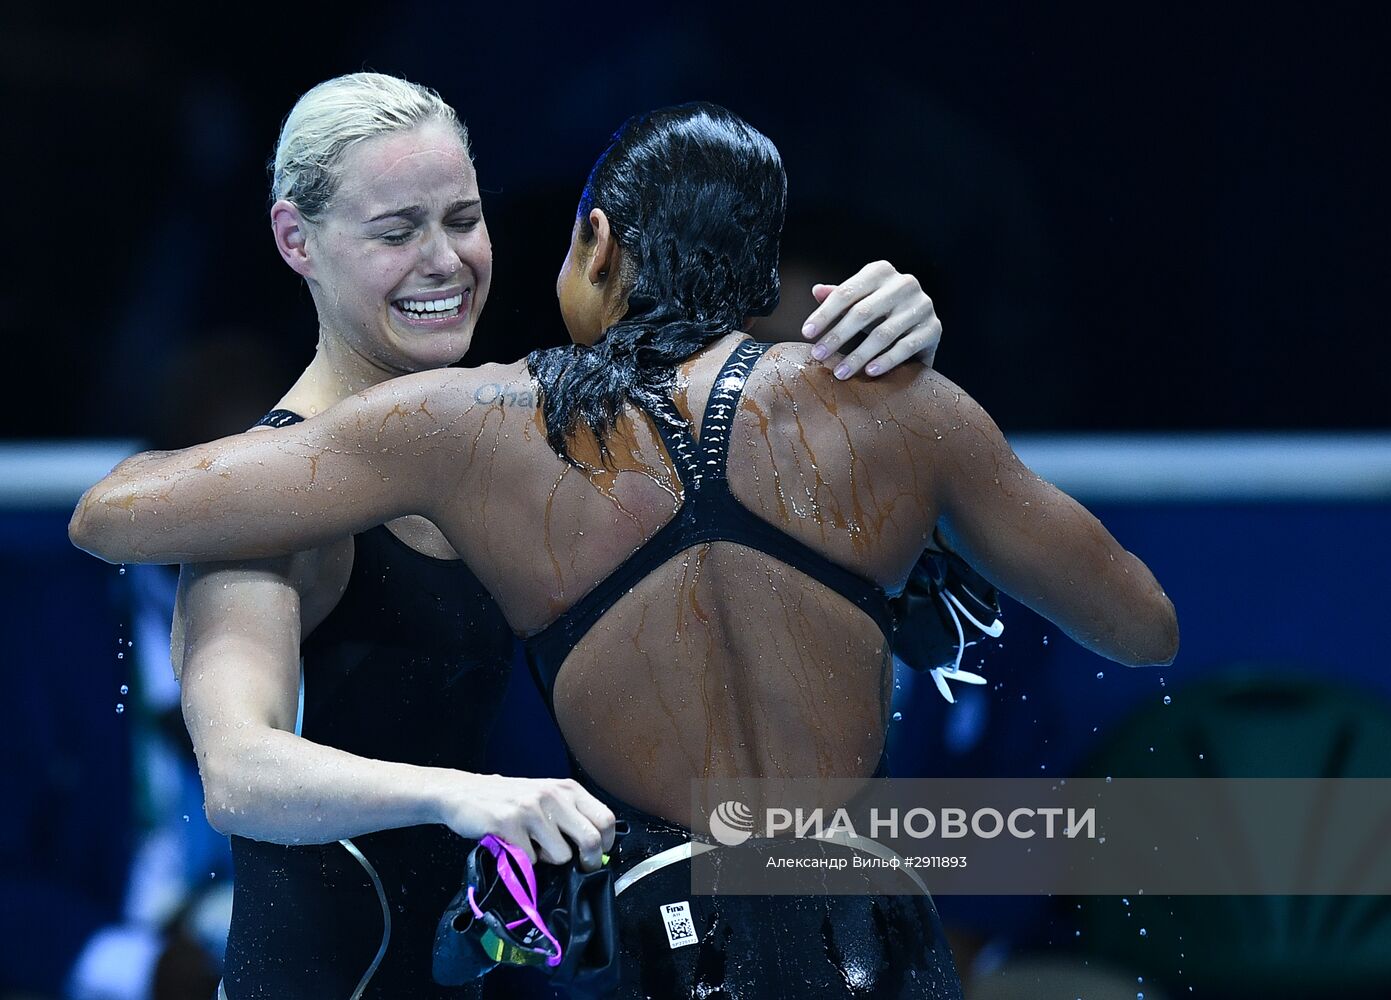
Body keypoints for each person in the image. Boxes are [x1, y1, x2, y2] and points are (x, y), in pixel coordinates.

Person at [72, 102, 1178, 998]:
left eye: (464, 217)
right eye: (397, 227)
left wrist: (899, 331)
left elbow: (117, 511)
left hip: (625, 943)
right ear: (295, 241)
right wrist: (916, 417)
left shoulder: (482, 424)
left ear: (593, 244)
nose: (446, 258)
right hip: (831, 935)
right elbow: (1140, 626)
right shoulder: (882, 411)